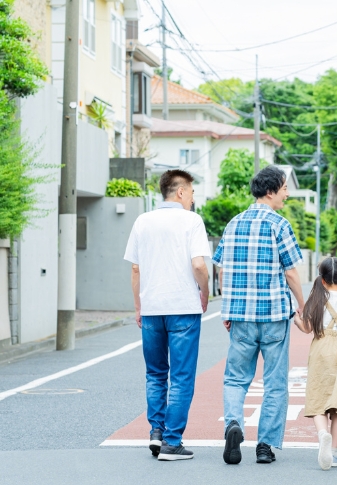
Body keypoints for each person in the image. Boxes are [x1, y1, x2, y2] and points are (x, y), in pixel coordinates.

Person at [213, 165, 306, 466]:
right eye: (284, 188)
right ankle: (265, 446)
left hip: (240, 314)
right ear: (270, 191)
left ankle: (233, 424)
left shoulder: (233, 224)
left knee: (236, 378)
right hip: (275, 314)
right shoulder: (279, 225)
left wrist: (227, 307)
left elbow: (222, 269)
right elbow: (291, 272)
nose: (287, 194)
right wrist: (303, 306)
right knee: (275, 381)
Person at [124, 169, 211, 461]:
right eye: (192, 193)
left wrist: (138, 306)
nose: (192, 199)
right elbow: (198, 265)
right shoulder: (192, 221)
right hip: (183, 309)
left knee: (156, 374)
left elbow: (135, 269)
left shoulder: (142, 221)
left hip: (151, 310)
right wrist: (205, 291)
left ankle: (157, 433)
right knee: (182, 376)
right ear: (182, 192)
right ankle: (173, 442)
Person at [296, 257, 337, 471]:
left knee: (318, 397)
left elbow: (307, 328)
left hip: (322, 347)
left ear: (322, 281)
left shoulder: (317, 298)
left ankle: (322, 434)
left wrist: (296, 319)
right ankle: (333, 452)